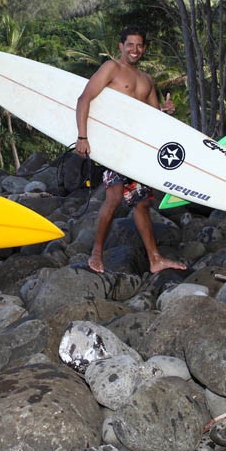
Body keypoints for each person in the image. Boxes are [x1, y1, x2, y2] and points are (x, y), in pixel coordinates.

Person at [75, 28, 187, 274]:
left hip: (135, 149)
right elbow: (84, 99)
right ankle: (96, 254)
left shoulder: (146, 79)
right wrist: (82, 137)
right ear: (121, 46)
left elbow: (152, 117)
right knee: (114, 198)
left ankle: (155, 259)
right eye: (130, 45)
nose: (134, 50)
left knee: (142, 204)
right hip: (113, 145)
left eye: (139, 45)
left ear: (144, 48)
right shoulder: (111, 68)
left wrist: (166, 112)